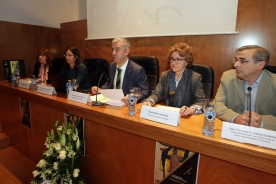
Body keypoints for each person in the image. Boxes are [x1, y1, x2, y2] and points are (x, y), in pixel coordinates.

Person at [215, 45, 276, 131]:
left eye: (243, 61)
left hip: (266, 135)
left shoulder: (274, 82)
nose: (236, 65)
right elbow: (218, 104)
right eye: (236, 60)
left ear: (260, 65)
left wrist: (262, 122)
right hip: (235, 130)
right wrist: (236, 118)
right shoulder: (228, 77)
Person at [143, 42, 206, 116]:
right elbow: (157, 94)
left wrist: (191, 110)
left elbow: (201, 101)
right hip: (167, 115)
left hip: (185, 118)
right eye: (172, 59)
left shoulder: (194, 78)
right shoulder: (165, 75)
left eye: (178, 59)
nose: (173, 63)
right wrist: (150, 102)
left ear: (186, 62)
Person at [91, 38, 150, 104]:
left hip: (127, 106)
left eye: (117, 50)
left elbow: (145, 91)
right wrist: (100, 90)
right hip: (112, 103)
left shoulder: (137, 70)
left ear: (126, 52)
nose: (113, 53)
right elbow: (109, 83)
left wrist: (132, 97)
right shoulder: (112, 66)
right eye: (112, 49)